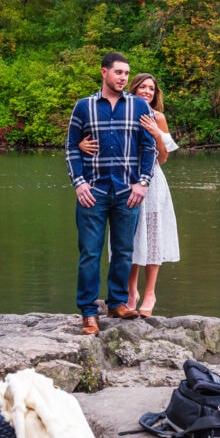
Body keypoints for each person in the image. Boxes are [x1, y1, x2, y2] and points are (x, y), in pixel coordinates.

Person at [65, 52, 157, 336]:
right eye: (119, 73)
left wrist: (142, 183)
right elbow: (71, 148)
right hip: (94, 192)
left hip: (127, 192)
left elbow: (148, 148)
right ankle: (89, 312)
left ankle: (117, 302)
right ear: (104, 73)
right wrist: (80, 184)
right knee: (90, 253)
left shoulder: (140, 106)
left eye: (127, 74)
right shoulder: (84, 107)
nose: (124, 78)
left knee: (123, 251)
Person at [80, 73, 180, 318]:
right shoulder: (122, 112)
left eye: (151, 89)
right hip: (124, 182)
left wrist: (156, 133)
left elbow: (164, 158)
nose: (147, 91)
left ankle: (150, 293)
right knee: (129, 239)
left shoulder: (158, 117)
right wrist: (81, 146)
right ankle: (130, 292)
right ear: (133, 90)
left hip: (151, 183)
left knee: (152, 236)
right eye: (143, 87)